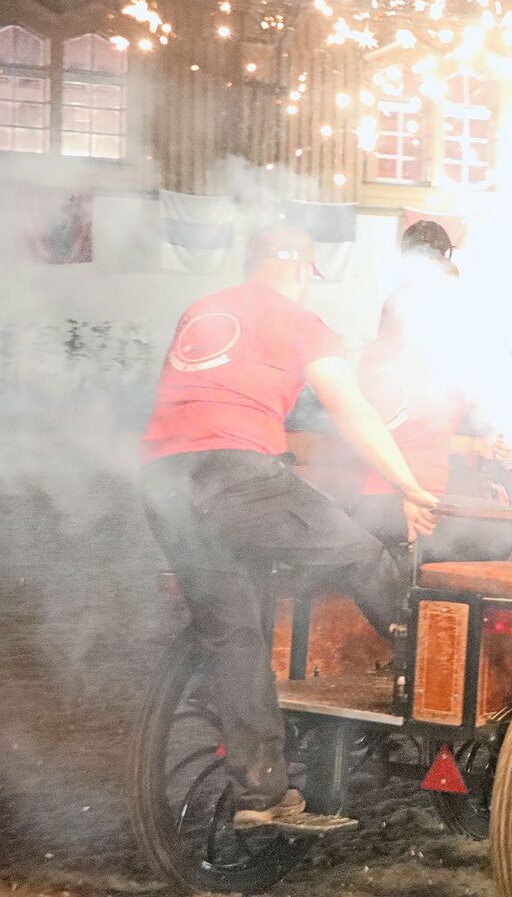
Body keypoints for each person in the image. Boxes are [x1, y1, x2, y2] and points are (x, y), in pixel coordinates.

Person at [140, 223, 439, 830]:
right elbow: (351, 409)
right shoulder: (302, 321)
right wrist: (408, 485)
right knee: (361, 553)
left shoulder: (202, 310)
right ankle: (425, 665)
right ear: (303, 271)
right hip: (240, 475)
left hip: (162, 483)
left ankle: (260, 792)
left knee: (234, 637)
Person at [350, 276, 512, 563]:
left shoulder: (438, 365)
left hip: (429, 501)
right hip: (393, 505)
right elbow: (380, 435)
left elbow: (425, 431)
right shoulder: (389, 367)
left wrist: (479, 444)